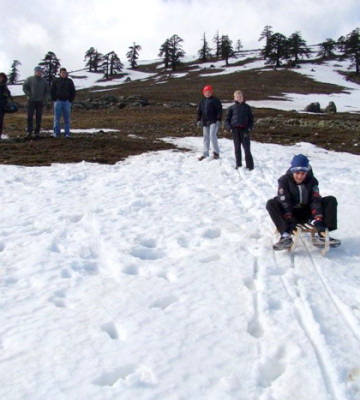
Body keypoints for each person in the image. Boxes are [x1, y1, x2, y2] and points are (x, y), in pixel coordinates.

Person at [266, 154, 341, 250]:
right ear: (292, 171)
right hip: (289, 212)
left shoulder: (312, 181)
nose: (300, 176)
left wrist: (318, 220)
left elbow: (315, 200)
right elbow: (285, 201)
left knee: (330, 200)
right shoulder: (284, 180)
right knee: (271, 203)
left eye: (303, 173)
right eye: (297, 173)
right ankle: (285, 236)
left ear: (307, 172)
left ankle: (323, 235)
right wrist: (290, 219)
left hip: (307, 211)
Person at [225, 90, 254, 170]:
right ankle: (238, 164)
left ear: (243, 97)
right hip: (235, 130)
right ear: (234, 98)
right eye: (237, 97)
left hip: (244, 130)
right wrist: (229, 128)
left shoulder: (247, 107)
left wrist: (249, 127)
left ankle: (250, 165)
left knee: (247, 148)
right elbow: (227, 120)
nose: (239, 98)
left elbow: (251, 119)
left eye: (240, 97)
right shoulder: (231, 108)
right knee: (237, 148)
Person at [22, 66, 50, 139]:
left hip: (40, 101)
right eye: (37, 71)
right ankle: (29, 132)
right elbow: (24, 87)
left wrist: (44, 97)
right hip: (31, 101)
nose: (39, 72)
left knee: (39, 117)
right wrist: (29, 94)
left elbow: (47, 90)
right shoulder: (29, 79)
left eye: (40, 71)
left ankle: (37, 132)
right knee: (30, 117)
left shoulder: (44, 81)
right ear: (35, 72)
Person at [196, 85, 222, 160]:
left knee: (212, 135)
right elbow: (199, 112)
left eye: (208, 92)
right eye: (206, 92)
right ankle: (205, 153)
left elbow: (219, 110)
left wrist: (218, 120)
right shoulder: (202, 102)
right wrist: (198, 120)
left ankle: (216, 152)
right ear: (204, 93)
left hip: (214, 121)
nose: (207, 93)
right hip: (205, 122)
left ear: (211, 92)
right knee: (206, 137)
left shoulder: (215, 100)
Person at [50, 67, 76, 138]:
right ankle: (56, 133)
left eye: (65, 73)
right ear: (60, 73)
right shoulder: (56, 81)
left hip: (67, 102)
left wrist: (70, 100)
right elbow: (52, 90)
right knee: (57, 118)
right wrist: (54, 99)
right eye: (62, 73)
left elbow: (73, 91)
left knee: (67, 118)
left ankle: (67, 133)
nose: (63, 74)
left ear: (66, 73)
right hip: (58, 101)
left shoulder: (69, 81)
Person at [0, 72, 11, 140]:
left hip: (2, 106)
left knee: (0, 121)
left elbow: (8, 95)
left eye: (1, 78)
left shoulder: (4, 87)